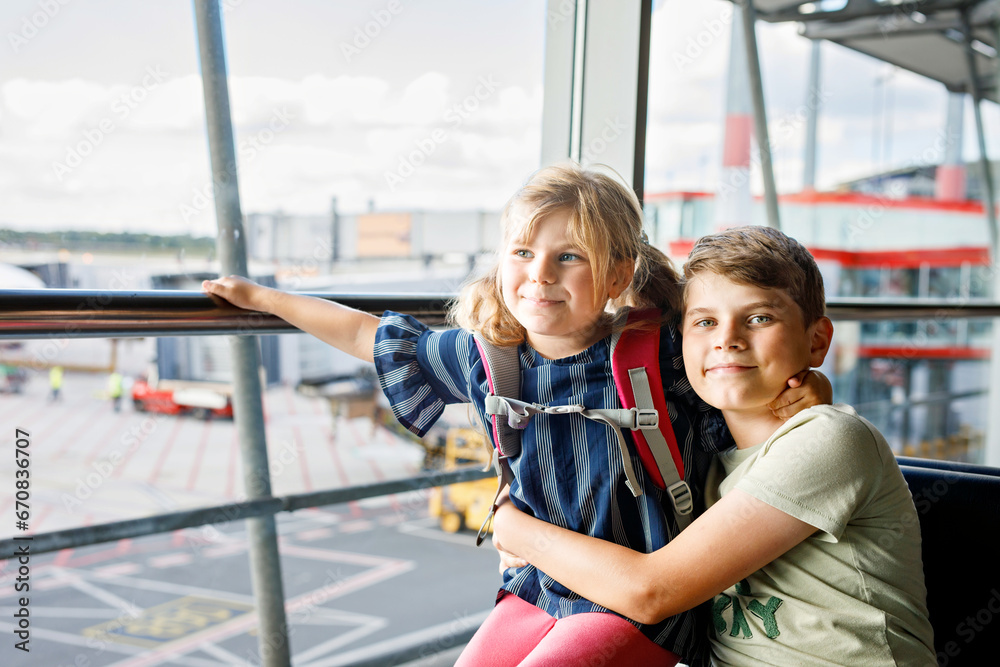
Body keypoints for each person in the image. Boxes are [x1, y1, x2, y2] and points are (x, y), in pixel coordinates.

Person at [202, 165, 828, 666]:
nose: (540, 275)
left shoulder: (657, 353)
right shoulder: (487, 358)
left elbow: (738, 378)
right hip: (541, 582)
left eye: (569, 257)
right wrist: (265, 299)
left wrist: (809, 386)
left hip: (639, 599)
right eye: (523, 252)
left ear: (617, 275)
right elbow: (369, 334)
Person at [491, 226, 936, 666]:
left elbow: (651, 593)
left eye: (759, 318)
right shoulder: (699, 456)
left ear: (816, 340)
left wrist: (510, 525)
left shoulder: (829, 438)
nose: (727, 339)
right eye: (705, 322)